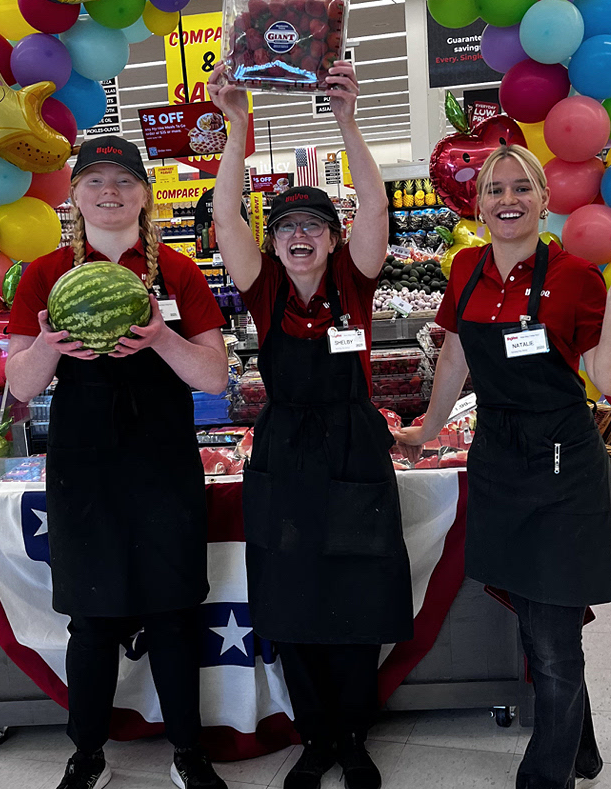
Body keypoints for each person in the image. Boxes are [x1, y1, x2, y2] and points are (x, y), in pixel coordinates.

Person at [394, 144, 611, 789]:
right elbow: (456, 356)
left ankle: (547, 776)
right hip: (499, 457)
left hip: (561, 464)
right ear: (478, 203)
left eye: (522, 187)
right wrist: (427, 429)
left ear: (545, 200)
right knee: (535, 620)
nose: (508, 200)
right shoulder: (464, 268)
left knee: (551, 637)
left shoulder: (576, 276)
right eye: (494, 189)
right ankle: (582, 748)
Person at [208, 62, 412, 789]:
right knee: (291, 600)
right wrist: (237, 126)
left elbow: (377, 206)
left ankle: (353, 737)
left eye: (314, 226)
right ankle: (315, 738)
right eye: (288, 226)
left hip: (354, 448)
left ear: (332, 238)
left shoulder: (355, 280)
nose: (300, 235)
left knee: (356, 598)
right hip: (285, 452)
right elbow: (226, 218)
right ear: (276, 241)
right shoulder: (263, 290)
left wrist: (347, 121)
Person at [6, 136, 230, 789]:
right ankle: (87, 753)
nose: (110, 192)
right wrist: (49, 344)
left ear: (144, 195)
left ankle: (188, 751)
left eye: (124, 180)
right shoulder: (44, 274)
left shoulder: (178, 271)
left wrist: (160, 338)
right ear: (75, 196)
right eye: (95, 181)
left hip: (163, 461)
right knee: (92, 617)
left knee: (173, 611)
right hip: (83, 464)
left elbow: (214, 376)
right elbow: (20, 384)